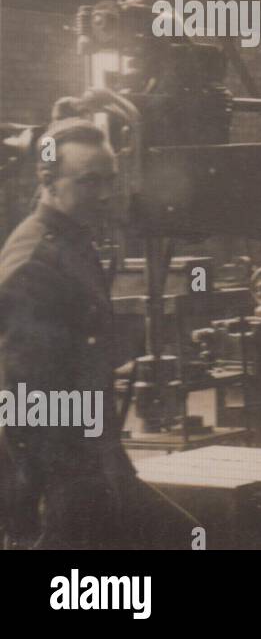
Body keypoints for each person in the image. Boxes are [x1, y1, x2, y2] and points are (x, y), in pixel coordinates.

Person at [0, 118, 192, 549]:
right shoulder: (34, 261)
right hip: (63, 473)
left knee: (187, 537)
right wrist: (44, 504)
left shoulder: (72, 240)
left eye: (110, 180)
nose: (106, 195)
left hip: (95, 457)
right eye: (91, 182)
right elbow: (25, 401)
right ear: (49, 180)